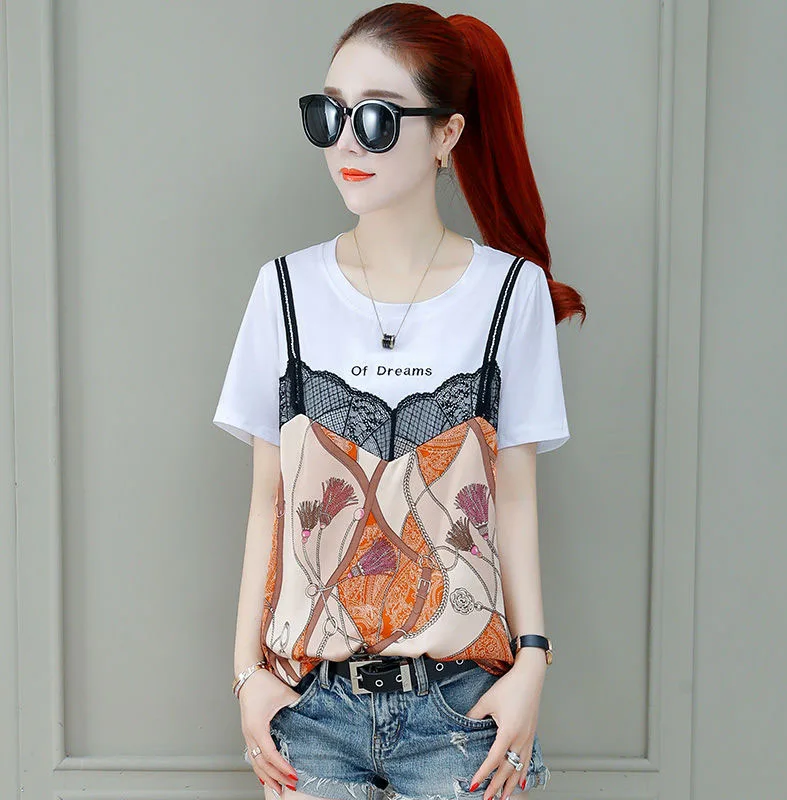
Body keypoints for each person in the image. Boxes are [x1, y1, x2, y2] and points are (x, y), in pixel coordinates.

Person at [213, 5, 585, 800]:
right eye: (328, 115)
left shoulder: (510, 294)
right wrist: (246, 674)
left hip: (463, 709)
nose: (345, 143)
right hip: (311, 708)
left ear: (447, 134)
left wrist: (532, 662)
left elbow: (516, 502)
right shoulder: (284, 291)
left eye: (376, 119)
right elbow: (267, 503)